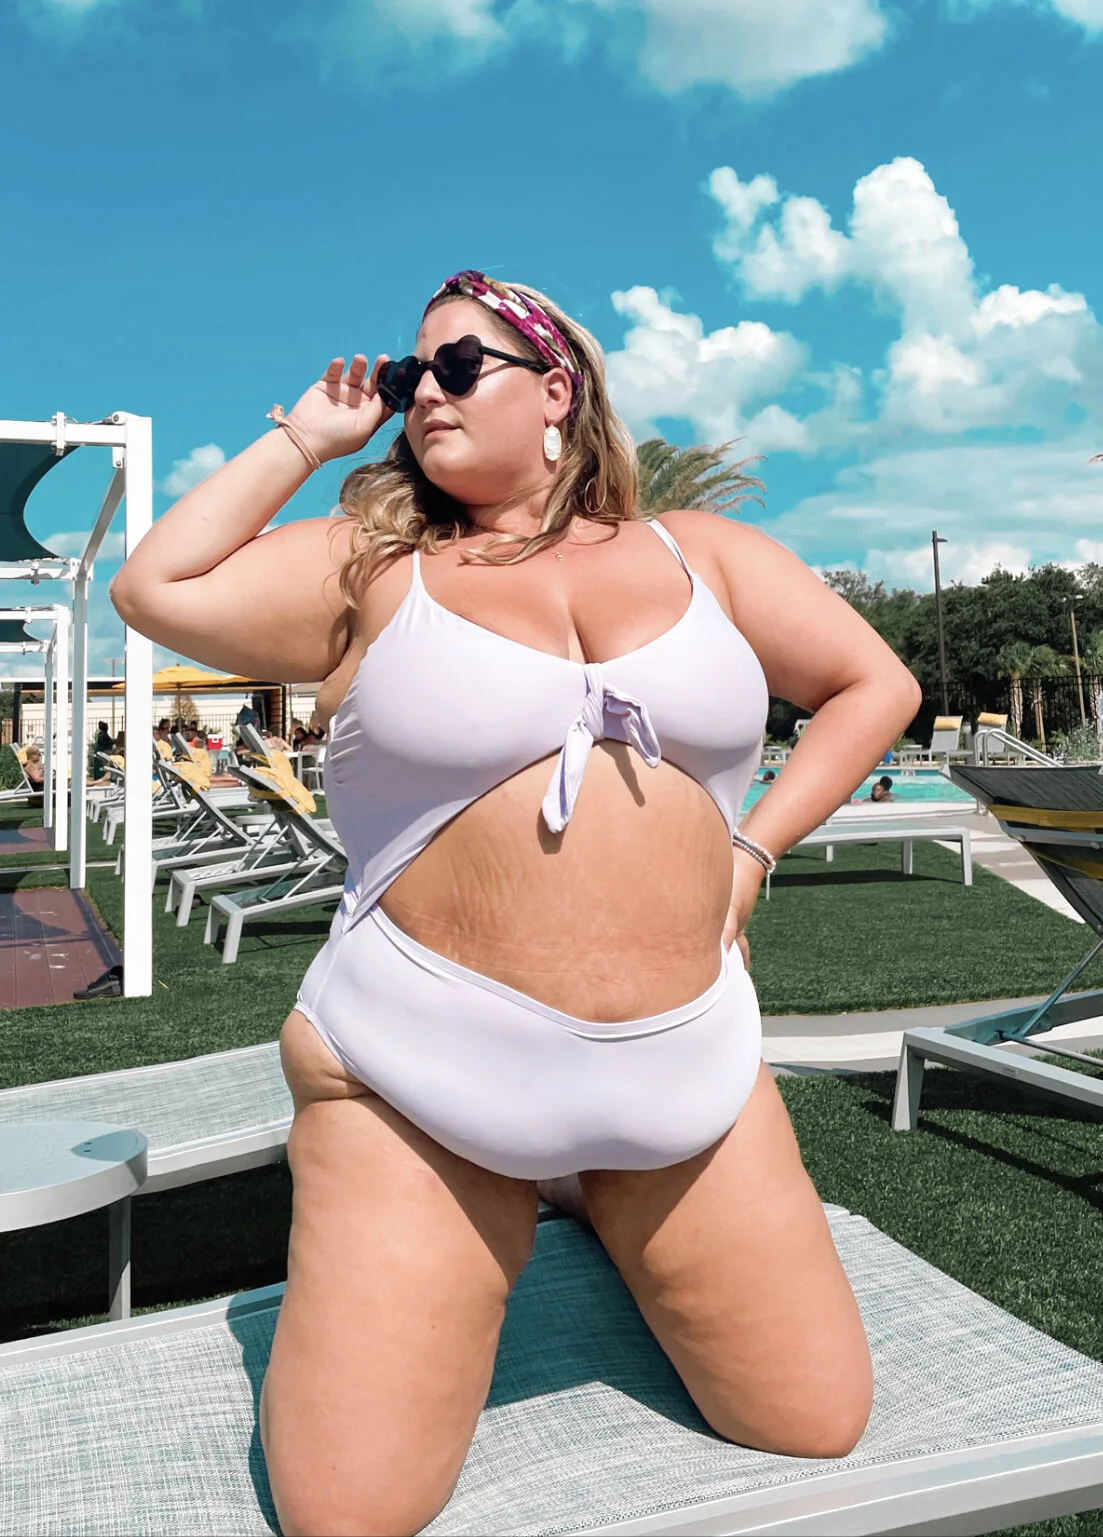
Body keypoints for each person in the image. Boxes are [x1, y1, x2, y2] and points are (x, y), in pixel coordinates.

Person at [111, 268, 919, 1535]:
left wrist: (752, 850)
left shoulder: (701, 552)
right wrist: (307, 440)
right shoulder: (373, 565)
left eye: (456, 366)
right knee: (350, 1511)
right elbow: (154, 589)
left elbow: (875, 687)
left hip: (684, 1062)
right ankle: (528, 1186)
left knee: (810, 1418)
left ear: (556, 391)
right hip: (415, 1077)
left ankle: (582, 1183)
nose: (420, 394)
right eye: (408, 376)